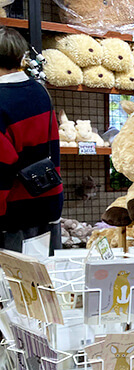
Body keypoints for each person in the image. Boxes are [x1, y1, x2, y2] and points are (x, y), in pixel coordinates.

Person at [0, 26, 62, 254]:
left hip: (13, 212)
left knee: (11, 285)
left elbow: (2, 163)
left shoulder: (1, 100)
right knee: (39, 282)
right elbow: (53, 145)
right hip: (46, 198)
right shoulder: (39, 91)